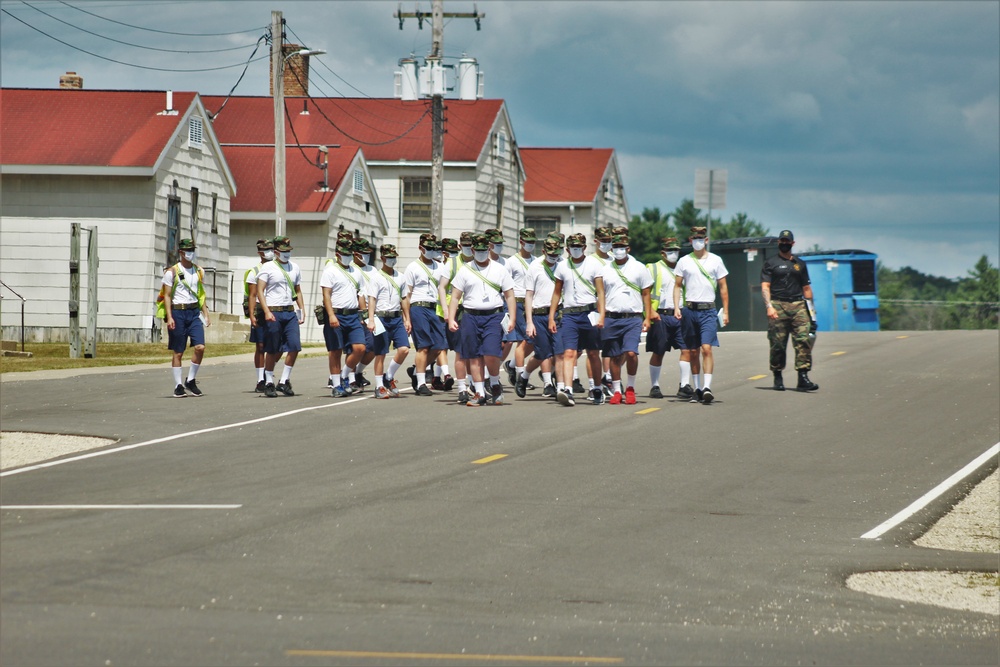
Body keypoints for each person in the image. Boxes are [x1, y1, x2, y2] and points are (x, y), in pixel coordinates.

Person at [447, 233, 517, 406]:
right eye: (477, 250)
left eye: (484, 250)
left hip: (493, 315)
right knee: (473, 355)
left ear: (489, 249)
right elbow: (455, 296)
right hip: (471, 315)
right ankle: (479, 392)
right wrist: (451, 318)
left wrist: (513, 318)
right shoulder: (465, 270)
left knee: (491, 353)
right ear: (472, 250)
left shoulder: (499, 269)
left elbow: (509, 295)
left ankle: (494, 383)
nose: (481, 253)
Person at [672, 226, 729, 405]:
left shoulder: (716, 260)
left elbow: (723, 287)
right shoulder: (684, 261)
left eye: (700, 238)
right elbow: (677, 286)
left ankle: (707, 387)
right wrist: (676, 307)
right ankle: (696, 388)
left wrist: (726, 310)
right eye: (694, 238)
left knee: (707, 348)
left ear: (706, 240)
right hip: (690, 309)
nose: (697, 241)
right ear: (690, 240)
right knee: (693, 351)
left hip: (708, 310)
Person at [548, 232, 606, 407]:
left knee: (593, 353)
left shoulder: (594, 265)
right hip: (570, 314)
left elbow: (601, 292)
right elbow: (557, 293)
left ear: (584, 248)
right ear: (567, 249)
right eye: (573, 247)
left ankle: (597, 388)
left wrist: (602, 314)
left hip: (589, 313)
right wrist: (551, 317)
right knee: (569, 353)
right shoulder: (562, 267)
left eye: (579, 247)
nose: (576, 250)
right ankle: (568, 389)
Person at [761, 229, 819, 392]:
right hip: (778, 305)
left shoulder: (800, 264)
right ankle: (777, 376)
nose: (784, 244)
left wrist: (812, 314)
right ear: (778, 243)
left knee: (803, 340)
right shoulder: (770, 263)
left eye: (787, 242)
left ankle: (803, 377)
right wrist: (769, 306)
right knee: (777, 343)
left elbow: (806, 289)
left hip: (798, 305)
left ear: (792, 244)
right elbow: (765, 286)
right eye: (782, 241)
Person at [600, 234, 653, 404]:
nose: (618, 251)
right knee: (614, 356)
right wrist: (600, 316)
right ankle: (616, 390)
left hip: (633, 317)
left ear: (628, 249)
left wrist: (648, 317)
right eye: (615, 247)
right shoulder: (606, 269)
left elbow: (646, 293)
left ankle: (630, 387)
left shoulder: (639, 267)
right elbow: (601, 295)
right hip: (611, 317)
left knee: (630, 353)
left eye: (622, 247)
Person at [256, 236, 305, 397]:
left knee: (294, 346)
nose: (287, 254)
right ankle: (269, 381)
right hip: (274, 311)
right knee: (272, 348)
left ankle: (284, 381)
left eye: (288, 251)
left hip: (289, 311)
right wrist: (266, 311)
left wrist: (302, 309)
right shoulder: (268, 267)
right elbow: (260, 291)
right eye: (283, 251)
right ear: (276, 252)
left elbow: (297, 290)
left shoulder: (295, 267)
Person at [162, 238, 210, 397]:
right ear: (181, 252)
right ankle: (178, 385)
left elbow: (201, 294)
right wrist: (169, 317)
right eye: (187, 250)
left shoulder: (199, 271)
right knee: (178, 351)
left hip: (194, 311)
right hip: (178, 312)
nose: (190, 253)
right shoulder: (172, 272)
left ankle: (191, 379)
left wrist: (205, 313)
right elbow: (167, 296)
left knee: (200, 347)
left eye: (192, 250)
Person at [645, 237, 692, 399]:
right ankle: (655, 386)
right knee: (658, 352)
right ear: (663, 253)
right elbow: (644, 292)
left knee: (687, 349)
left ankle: (684, 385)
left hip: (680, 315)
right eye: (670, 251)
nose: (674, 254)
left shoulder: (684, 268)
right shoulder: (653, 269)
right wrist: (650, 311)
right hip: (661, 316)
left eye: (676, 251)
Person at [321, 237, 367, 398]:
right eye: (344, 253)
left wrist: (364, 314)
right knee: (336, 351)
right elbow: (326, 295)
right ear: (338, 254)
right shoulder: (330, 270)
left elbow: (360, 294)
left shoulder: (356, 272)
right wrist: (331, 315)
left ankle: (344, 375)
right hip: (336, 314)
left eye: (350, 254)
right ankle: (336, 385)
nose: (347, 256)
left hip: (353, 315)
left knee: (360, 347)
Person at [403, 234, 448, 396]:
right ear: (421, 248)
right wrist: (406, 318)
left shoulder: (440, 266)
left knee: (439, 346)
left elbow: (444, 289)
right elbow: (407, 295)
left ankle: (416, 371)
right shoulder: (412, 267)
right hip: (418, 307)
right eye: (428, 248)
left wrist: (446, 311)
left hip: (434, 308)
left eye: (433, 248)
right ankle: (421, 383)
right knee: (423, 346)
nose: (431, 251)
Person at [366, 244, 411, 398]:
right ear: (382, 258)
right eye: (389, 257)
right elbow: (372, 299)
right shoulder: (376, 277)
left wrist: (407, 319)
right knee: (381, 353)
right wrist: (371, 319)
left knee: (404, 348)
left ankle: (389, 376)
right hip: (380, 317)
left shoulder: (401, 276)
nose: (392, 260)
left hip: (396, 317)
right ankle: (379, 386)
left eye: (394, 257)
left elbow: (404, 299)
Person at [523, 236, 564, 398]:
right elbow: (529, 295)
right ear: (543, 251)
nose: (554, 257)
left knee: (560, 352)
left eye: (556, 254)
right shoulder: (535, 267)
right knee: (543, 353)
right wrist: (529, 322)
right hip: (539, 315)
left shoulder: (563, 266)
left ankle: (560, 387)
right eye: (550, 254)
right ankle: (524, 376)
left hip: (559, 314)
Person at [502, 228, 537, 389]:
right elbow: (505, 284)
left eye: (532, 242)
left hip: (533, 303)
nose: (530, 245)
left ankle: (512, 365)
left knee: (533, 340)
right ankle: (520, 376)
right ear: (521, 242)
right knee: (523, 340)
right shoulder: (511, 262)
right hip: (517, 302)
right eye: (527, 242)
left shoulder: (536, 261)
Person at [245, 238, 275, 393]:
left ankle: (269, 371)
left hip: (276, 309)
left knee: (277, 345)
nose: (270, 252)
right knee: (261, 345)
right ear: (260, 253)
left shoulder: (278, 268)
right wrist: (251, 314)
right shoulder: (255, 271)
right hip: (260, 310)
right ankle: (260, 379)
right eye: (267, 249)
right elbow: (252, 295)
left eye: (272, 249)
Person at [350, 237, 377, 391]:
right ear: (355, 254)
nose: (366, 256)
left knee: (374, 346)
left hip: (372, 313)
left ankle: (359, 372)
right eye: (362, 253)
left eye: (367, 253)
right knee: (355, 347)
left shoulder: (373, 270)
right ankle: (351, 377)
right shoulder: (350, 269)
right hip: (356, 313)